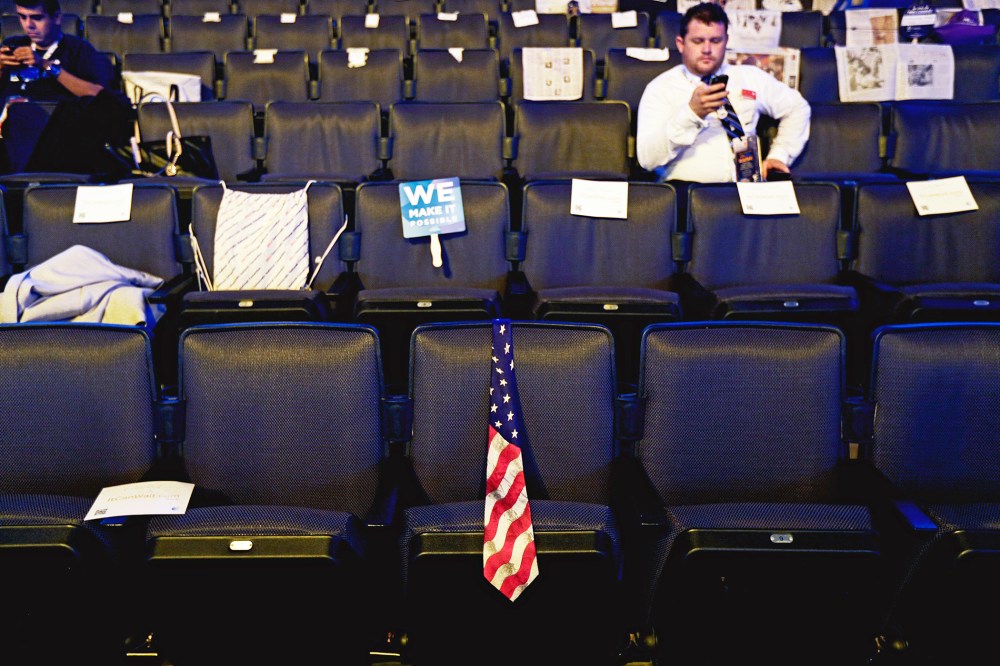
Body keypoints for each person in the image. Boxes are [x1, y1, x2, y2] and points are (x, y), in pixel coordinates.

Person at [636, 2, 810, 183]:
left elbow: (798, 107)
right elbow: (647, 159)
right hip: (687, 194)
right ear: (681, 44)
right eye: (698, 41)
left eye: (715, 41)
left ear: (726, 41)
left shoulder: (749, 77)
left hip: (748, 190)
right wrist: (691, 114)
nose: (706, 49)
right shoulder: (661, 88)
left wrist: (779, 155)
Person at [0, 0, 133, 174]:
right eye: (22, 17)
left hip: (55, 137)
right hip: (10, 133)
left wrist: (46, 65)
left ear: (56, 18)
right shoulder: (13, 45)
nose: (29, 25)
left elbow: (99, 97)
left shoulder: (78, 50)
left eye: (36, 18)